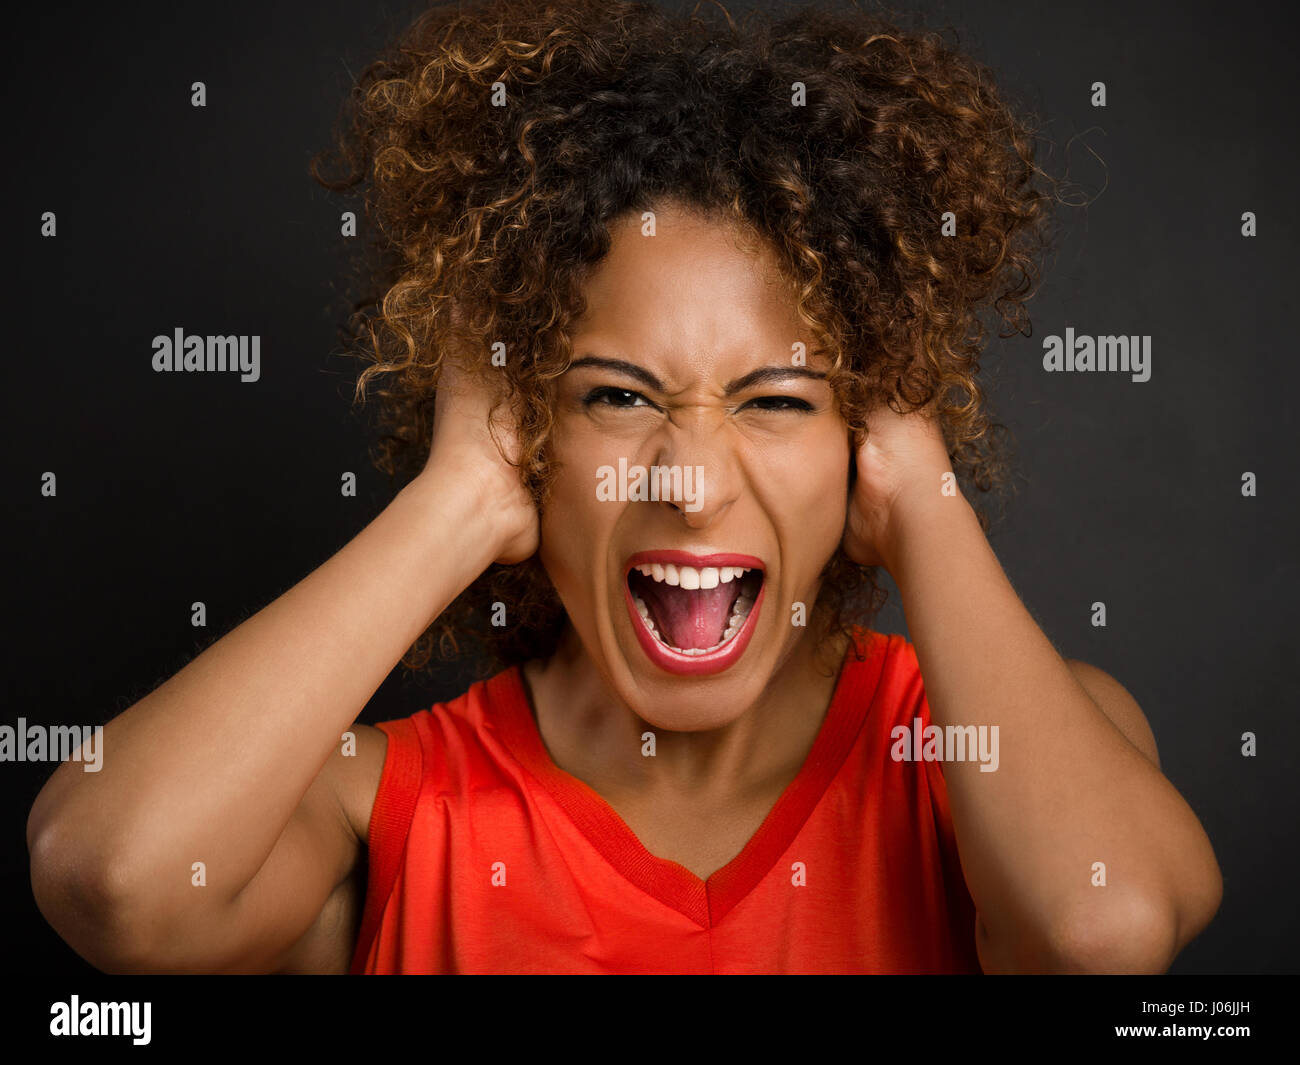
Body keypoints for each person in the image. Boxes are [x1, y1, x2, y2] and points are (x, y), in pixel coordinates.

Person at [27, 0, 1221, 974]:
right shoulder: (377, 803)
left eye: (780, 399)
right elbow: (114, 878)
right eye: (614, 396)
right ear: (521, 432)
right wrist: (457, 507)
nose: (693, 485)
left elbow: (1099, 930)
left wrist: (920, 493)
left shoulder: (990, 754)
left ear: (863, 439)